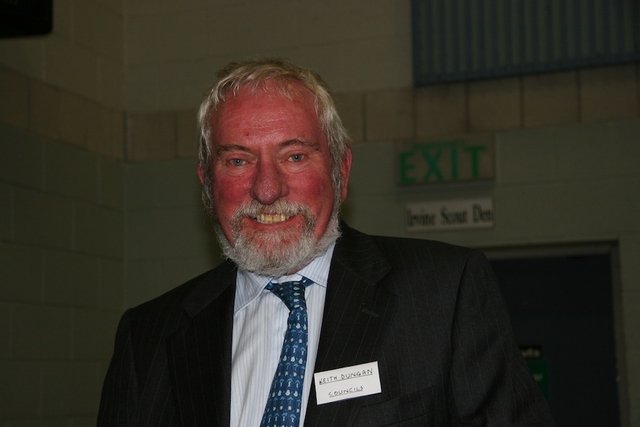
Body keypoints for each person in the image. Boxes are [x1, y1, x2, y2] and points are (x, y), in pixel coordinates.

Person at [98, 58, 555, 426]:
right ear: (207, 183)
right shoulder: (148, 338)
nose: (266, 189)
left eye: (295, 156)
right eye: (238, 161)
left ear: (340, 171)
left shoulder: (444, 296)